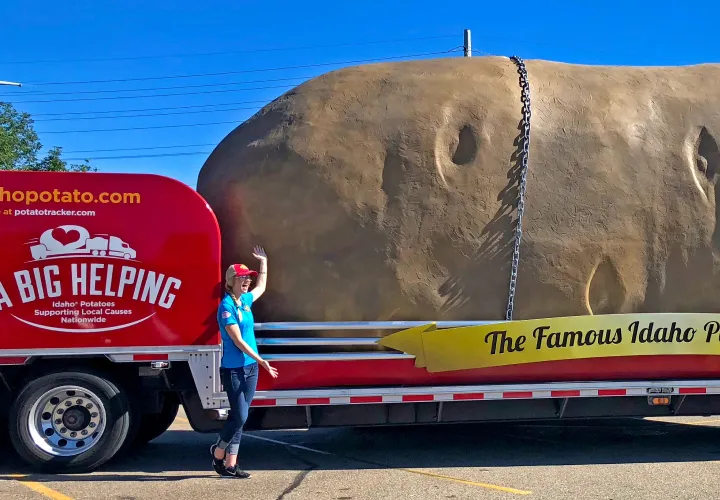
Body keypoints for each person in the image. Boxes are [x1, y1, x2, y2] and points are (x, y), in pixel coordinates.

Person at [210, 245, 279, 478]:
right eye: (242, 278)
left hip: (250, 368)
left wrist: (264, 263)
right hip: (234, 370)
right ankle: (218, 451)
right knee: (239, 415)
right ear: (231, 281)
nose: (247, 281)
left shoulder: (245, 301)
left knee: (242, 416)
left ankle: (231, 465)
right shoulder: (226, 307)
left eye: (248, 278)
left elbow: (262, 286)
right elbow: (238, 341)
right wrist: (262, 360)